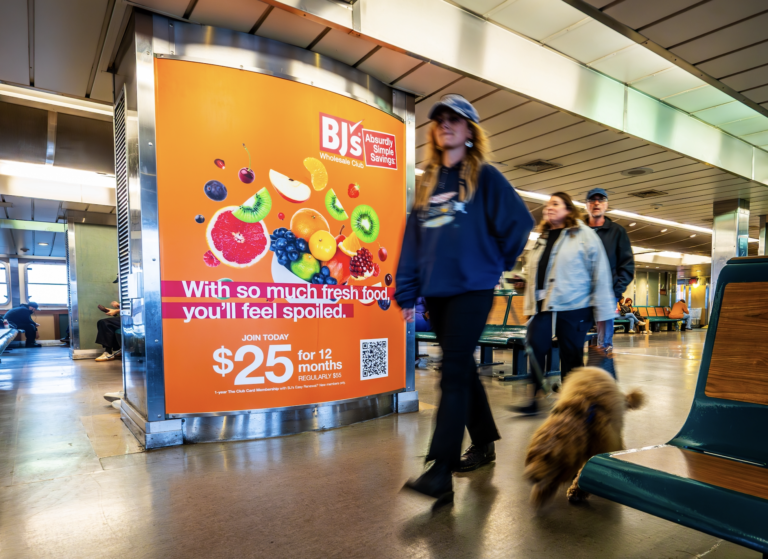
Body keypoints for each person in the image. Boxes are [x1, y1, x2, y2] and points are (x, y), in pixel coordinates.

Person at [395, 94, 534, 502]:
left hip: (472, 291)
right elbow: (414, 242)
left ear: (470, 130)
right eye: (439, 120)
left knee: (452, 371)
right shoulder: (427, 182)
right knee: (462, 371)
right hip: (437, 295)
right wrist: (406, 291)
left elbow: (519, 223)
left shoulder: (484, 177)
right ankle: (486, 440)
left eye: (455, 119)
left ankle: (440, 470)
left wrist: (494, 262)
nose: (445, 125)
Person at [512, 192, 614, 414]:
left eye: (555, 204)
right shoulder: (542, 238)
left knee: (571, 355)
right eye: (547, 204)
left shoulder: (583, 235)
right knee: (536, 347)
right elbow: (537, 271)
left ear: (568, 209)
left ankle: (574, 403)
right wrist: (524, 280)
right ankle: (534, 399)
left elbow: (600, 272)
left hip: (575, 305)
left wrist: (604, 314)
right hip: (545, 306)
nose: (549, 207)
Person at [586, 188, 634, 351]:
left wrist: (616, 291)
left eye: (601, 200)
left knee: (603, 344)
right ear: (587, 206)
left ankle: (602, 373)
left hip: (606, 295)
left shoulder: (617, 232)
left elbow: (627, 265)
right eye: (592, 200)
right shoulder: (579, 231)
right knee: (574, 338)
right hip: (580, 294)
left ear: (606, 205)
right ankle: (577, 375)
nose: (596, 203)